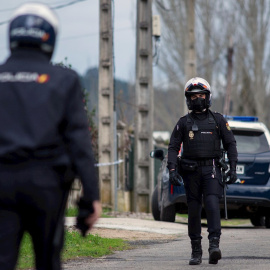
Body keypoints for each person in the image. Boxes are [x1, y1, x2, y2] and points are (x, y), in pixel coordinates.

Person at [0, 3, 101, 270]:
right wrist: (91, 196)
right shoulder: (64, 79)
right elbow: (79, 141)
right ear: (50, 38)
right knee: (48, 259)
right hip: (47, 187)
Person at [167, 77, 238, 265]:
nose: (197, 99)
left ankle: (214, 246)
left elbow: (230, 143)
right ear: (188, 99)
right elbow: (173, 147)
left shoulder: (218, 120)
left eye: (201, 95)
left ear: (208, 97)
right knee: (194, 210)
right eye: (193, 96)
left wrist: (232, 167)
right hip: (190, 171)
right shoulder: (183, 123)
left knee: (213, 205)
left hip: (212, 168)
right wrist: (172, 170)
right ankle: (196, 251)